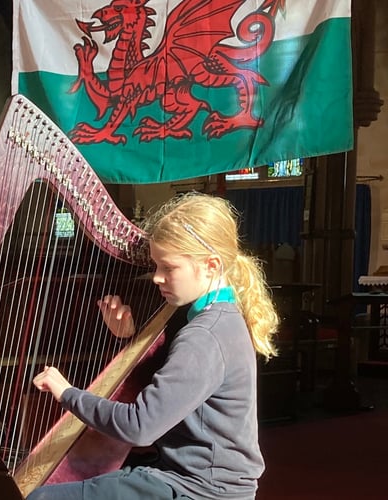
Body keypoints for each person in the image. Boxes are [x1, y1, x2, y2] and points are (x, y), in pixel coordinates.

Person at [29, 192, 279, 500]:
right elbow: (177, 387)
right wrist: (129, 337)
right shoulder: (220, 316)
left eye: (168, 267)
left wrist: (66, 392)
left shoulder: (204, 336)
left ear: (211, 266)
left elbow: (139, 426)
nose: (157, 277)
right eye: (156, 265)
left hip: (201, 491)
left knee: (40, 498)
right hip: (197, 479)